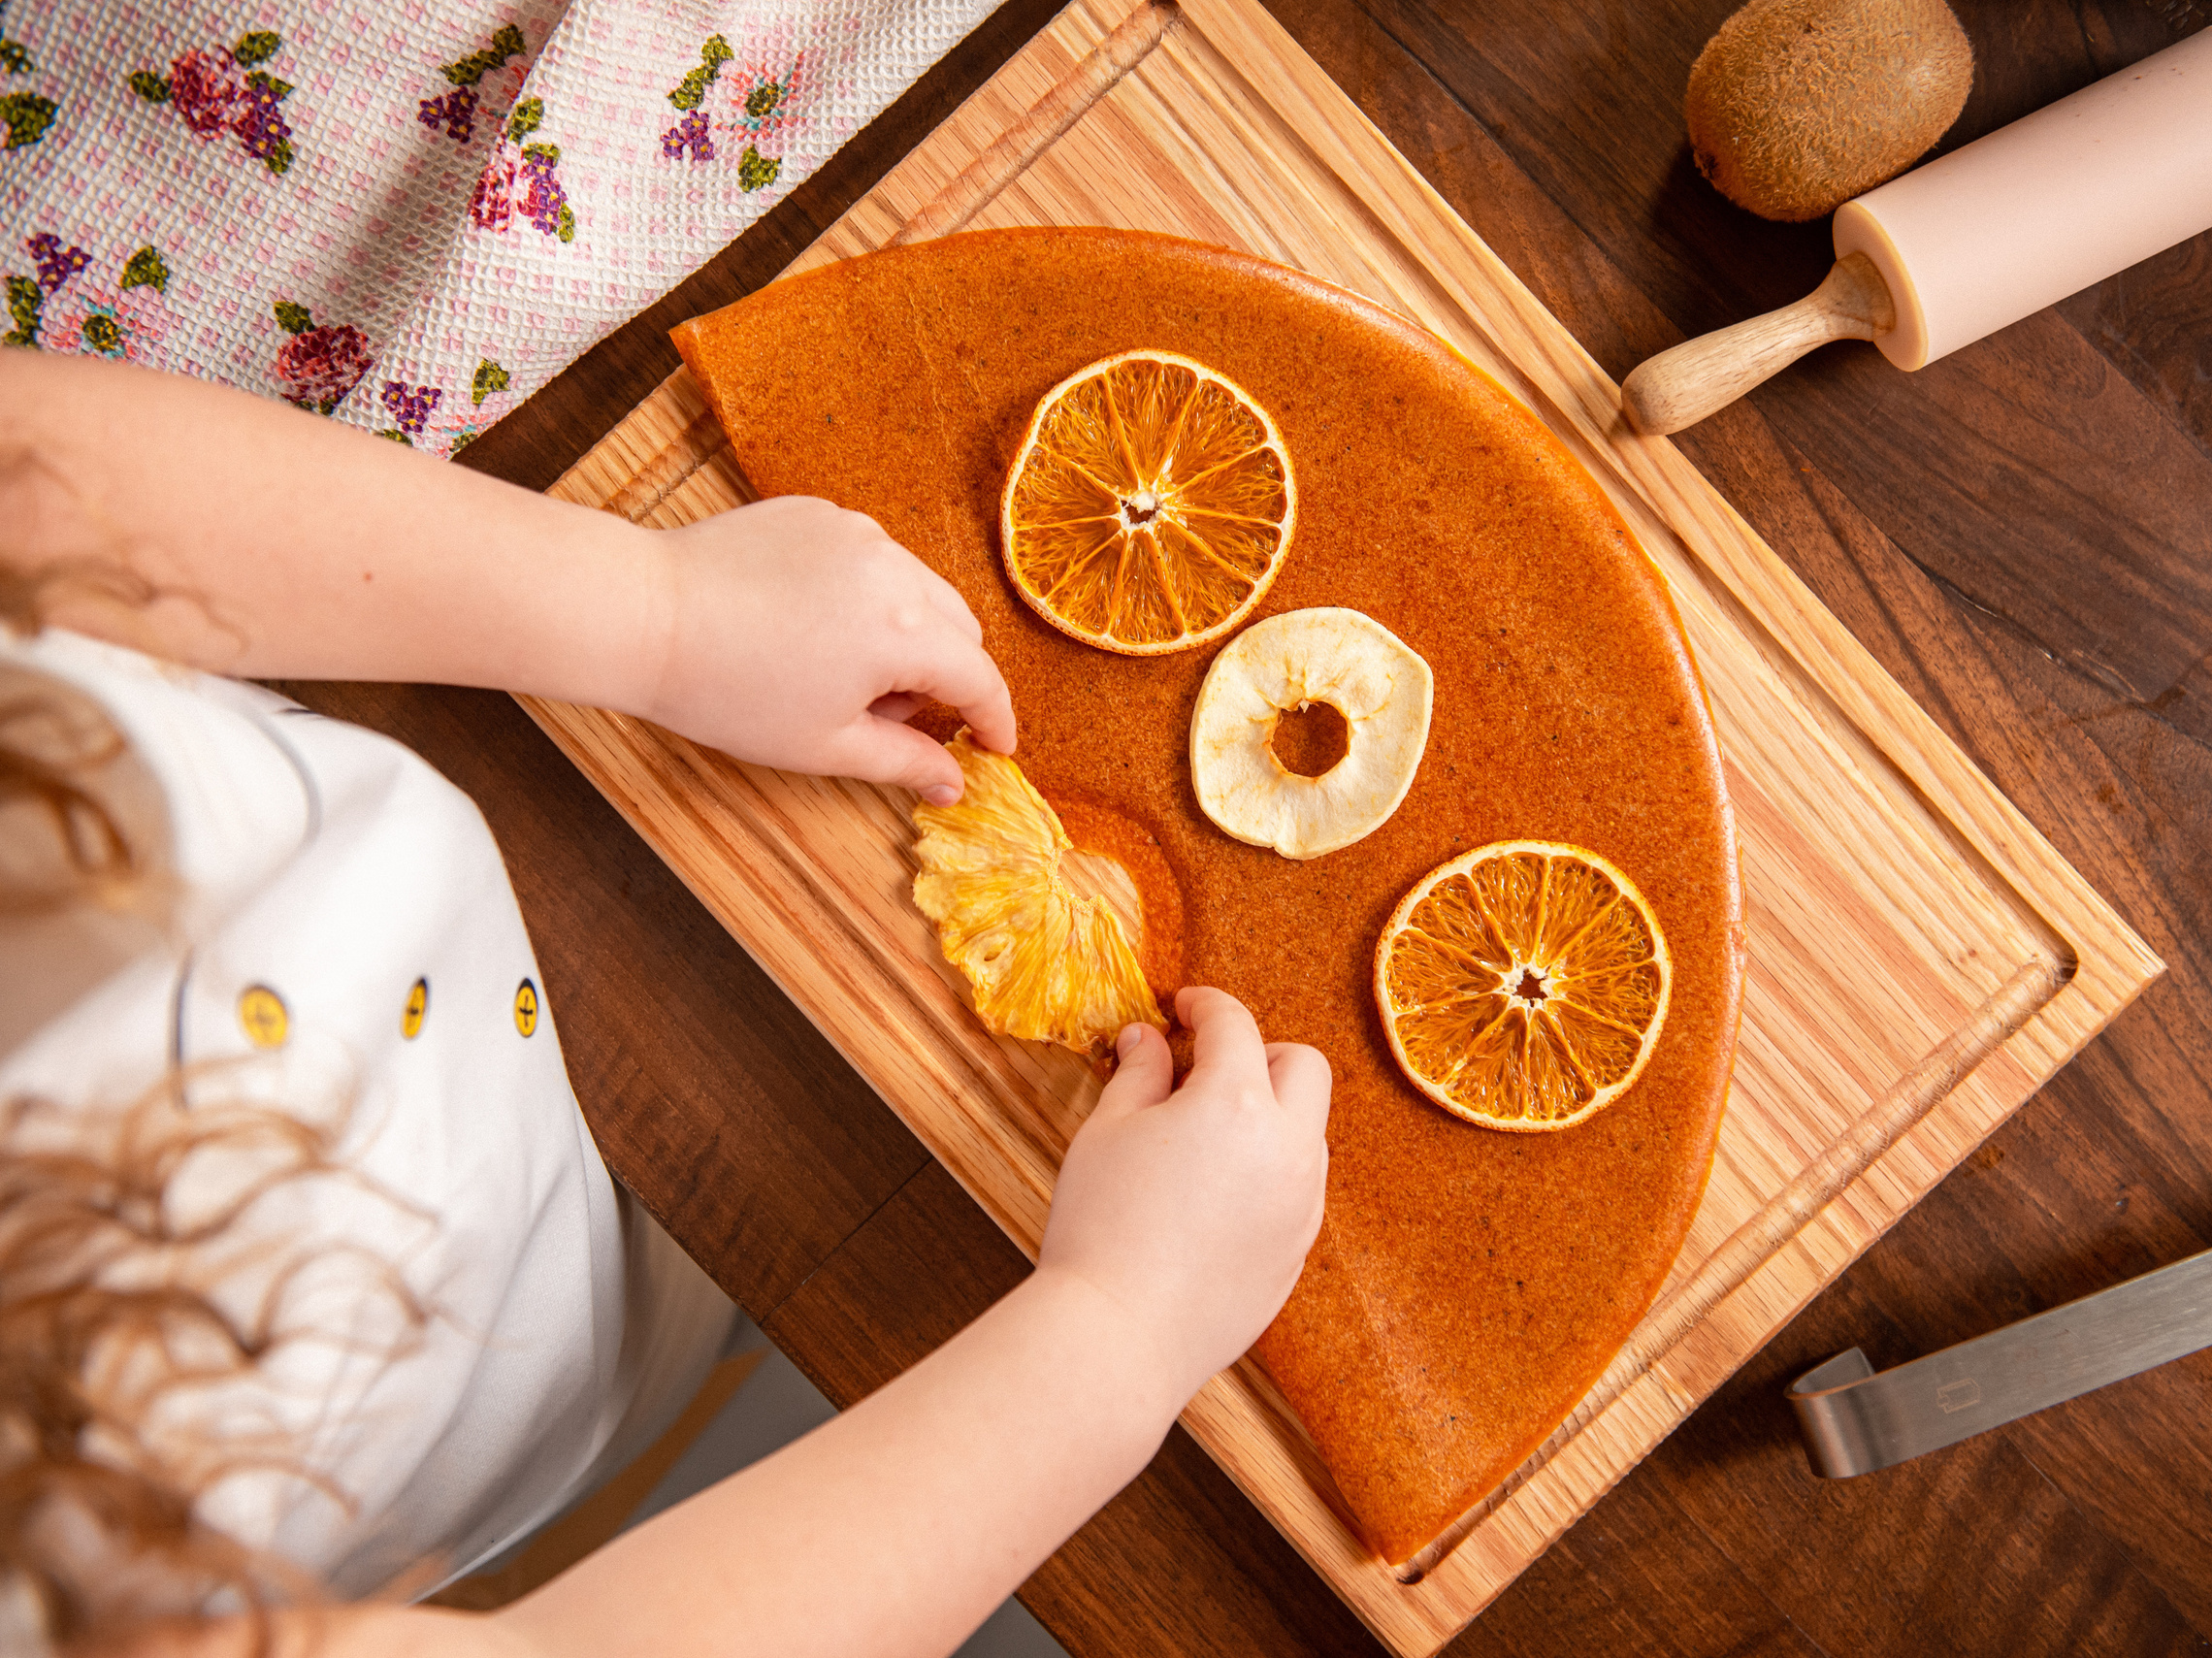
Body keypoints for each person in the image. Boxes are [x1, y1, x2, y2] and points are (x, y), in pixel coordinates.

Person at [0, 347, 1332, 1657]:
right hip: (502, 1439)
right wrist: (1120, 1334)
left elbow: (34, 484)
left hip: (506, 1004)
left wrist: (656, 613)